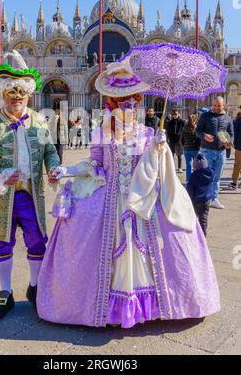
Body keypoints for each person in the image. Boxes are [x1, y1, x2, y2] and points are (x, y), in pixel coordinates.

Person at [36, 58, 220, 328]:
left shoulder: (149, 133)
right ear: (113, 106)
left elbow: (159, 169)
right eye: (124, 104)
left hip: (144, 199)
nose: (130, 108)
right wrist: (67, 171)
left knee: (169, 237)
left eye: (134, 103)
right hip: (110, 199)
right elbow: (95, 165)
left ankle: (159, 305)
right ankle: (104, 307)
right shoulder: (102, 134)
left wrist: (161, 148)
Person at [0, 50, 60, 323]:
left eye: (22, 94)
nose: (17, 98)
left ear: (29, 95)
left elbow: (50, 150)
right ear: (3, 95)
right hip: (0, 196)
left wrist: (53, 168)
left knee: (37, 241)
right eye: (11, 94)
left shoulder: (40, 121)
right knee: (2, 242)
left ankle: (34, 287)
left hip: (31, 195)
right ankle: (5, 293)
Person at [196, 96, 234, 209]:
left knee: (217, 177)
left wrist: (229, 142)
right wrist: (204, 135)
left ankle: (214, 198)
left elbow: (231, 134)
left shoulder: (227, 118)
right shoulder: (205, 116)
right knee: (206, 176)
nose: (216, 107)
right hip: (206, 150)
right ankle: (204, 198)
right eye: (215, 105)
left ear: (223, 106)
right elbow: (197, 131)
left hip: (221, 152)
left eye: (219, 106)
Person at [187, 153, 214, 236]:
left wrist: (189, 200)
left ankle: (195, 233)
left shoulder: (193, 176)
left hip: (197, 200)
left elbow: (190, 190)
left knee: (194, 216)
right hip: (207, 199)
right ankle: (203, 233)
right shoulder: (211, 173)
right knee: (204, 217)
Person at [181, 114, 201, 183]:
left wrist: (184, 145)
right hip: (195, 149)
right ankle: (196, 180)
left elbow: (182, 139)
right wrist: (199, 146)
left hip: (187, 148)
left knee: (188, 166)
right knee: (196, 166)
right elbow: (199, 139)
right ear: (196, 120)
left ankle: (188, 180)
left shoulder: (184, 128)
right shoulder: (197, 128)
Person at [166, 109, 185, 173]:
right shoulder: (170, 122)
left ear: (178, 114)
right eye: (173, 114)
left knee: (179, 155)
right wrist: (168, 138)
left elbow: (183, 130)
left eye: (176, 114)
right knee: (171, 154)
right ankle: (171, 167)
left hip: (179, 140)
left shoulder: (182, 122)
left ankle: (179, 167)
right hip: (172, 140)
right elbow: (167, 131)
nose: (174, 115)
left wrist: (182, 138)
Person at [227, 112, 241, 190]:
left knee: (237, 165)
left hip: (239, 146)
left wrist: (234, 144)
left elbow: (234, 133)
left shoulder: (238, 121)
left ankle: (234, 183)